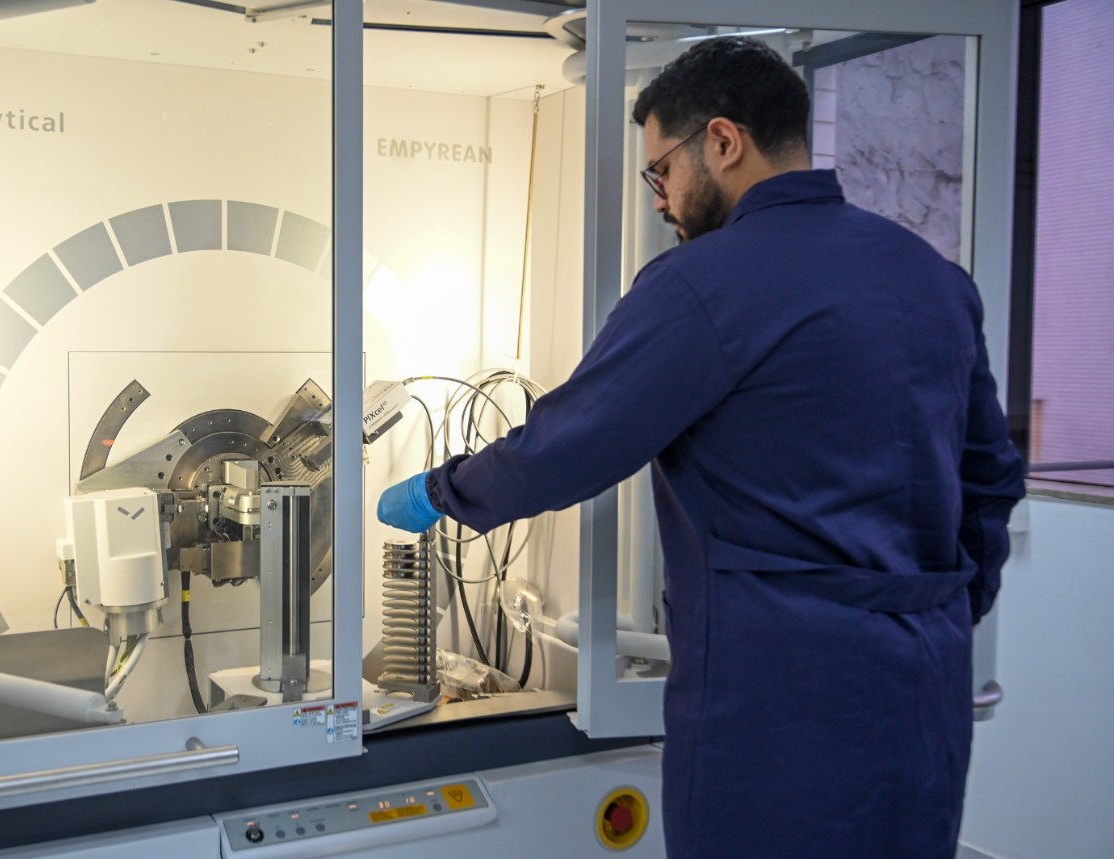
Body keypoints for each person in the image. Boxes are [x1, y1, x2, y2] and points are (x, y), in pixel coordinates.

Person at [377, 36, 1024, 859]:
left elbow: (564, 447)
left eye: (662, 172)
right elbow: (990, 482)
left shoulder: (704, 283)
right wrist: (935, 613)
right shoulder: (933, 277)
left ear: (722, 141)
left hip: (776, 709)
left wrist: (441, 490)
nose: (660, 201)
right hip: (924, 702)